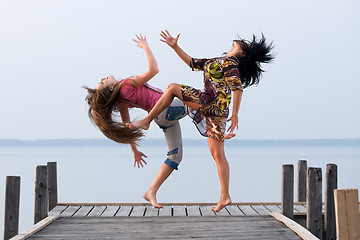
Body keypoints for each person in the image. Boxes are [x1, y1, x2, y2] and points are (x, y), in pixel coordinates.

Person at [127, 30, 275, 212]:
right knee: (218, 155)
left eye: (243, 43)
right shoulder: (217, 61)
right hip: (217, 111)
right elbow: (192, 62)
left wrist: (236, 115)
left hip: (210, 103)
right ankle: (225, 197)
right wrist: (175, 46)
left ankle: (147, 120)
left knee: (172, 88)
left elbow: (237, 88)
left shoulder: (229, 62)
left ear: (242, 53)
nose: (238, 41)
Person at [84, 34, 188, 208]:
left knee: (175, 156)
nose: (104, 77)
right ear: (111, 87)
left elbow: (127, 126)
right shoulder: (126, 84)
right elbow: (154, 70)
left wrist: (134, 151)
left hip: (161, 119)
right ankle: (215, 126)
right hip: (166, 109)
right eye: (102, 81)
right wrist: (146, 47)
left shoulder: (121, 100)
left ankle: (151, 191)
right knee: (199, 101)